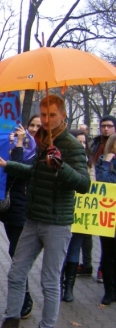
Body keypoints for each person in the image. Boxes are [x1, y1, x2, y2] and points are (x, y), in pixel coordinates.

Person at [0, 95, 90, 328]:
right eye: (44, 115)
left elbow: (84, 185)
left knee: (49, 281)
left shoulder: (71, 146)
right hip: (33, 219)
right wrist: (9, 165)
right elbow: (34, 173)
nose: (47, 120)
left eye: (52, 115)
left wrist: (60, 166)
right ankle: (10, 327)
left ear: (62, 115)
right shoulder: (42, 140)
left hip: (56, 223)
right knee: (16, 273)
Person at [0, 115, 41, 319]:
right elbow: (10, 170)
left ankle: (25, 298)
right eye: (31, 125)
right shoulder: (13, 147)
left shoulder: (40, 151)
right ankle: (22, 297)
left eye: (39, 126)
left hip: (27, 209)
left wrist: (21, 143)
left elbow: (22, 170)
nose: (33, 129)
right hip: (12, 209)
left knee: (17, 254)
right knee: (15, 253)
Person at [61, 130, 95, 303]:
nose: (81, 145)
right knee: (61, 251)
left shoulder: (91, 165)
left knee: (74, 250)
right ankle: (60, 283)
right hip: (66, 211)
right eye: (78, 142)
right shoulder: (63, 161)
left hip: (83, 215)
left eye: (83, 142)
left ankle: (68, 288)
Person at [85, 115, 116, 283]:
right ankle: (103, 273)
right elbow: (103, 181)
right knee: (106, 246)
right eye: (103, 126)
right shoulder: (100, 150)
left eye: (109, 126)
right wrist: (106, 163)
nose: (105, 129)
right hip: (107, 206)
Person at [95, 133, 116, 305]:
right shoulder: (103, 161)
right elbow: (104, 183)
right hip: (108, 216)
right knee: (107, 254)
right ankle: (109, 291)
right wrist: (108, 161)